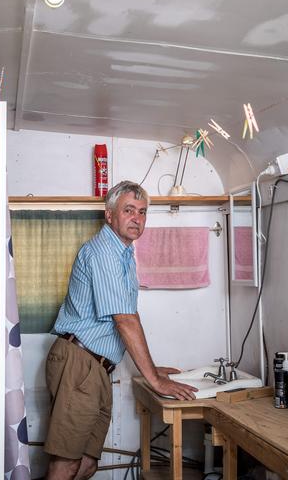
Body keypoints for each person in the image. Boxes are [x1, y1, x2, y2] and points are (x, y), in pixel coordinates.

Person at [43, 180, 198, 480]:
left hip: (96, 368)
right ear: (109, 215)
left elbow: (128, 318)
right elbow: (124, 321)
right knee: (65, 465)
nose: (137, 218)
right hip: (79, 364)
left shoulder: (124, 255)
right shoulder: (104, 252)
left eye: (142, 212)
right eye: (128, 210)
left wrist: (152, 368)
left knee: (87, 464)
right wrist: (154, 380)